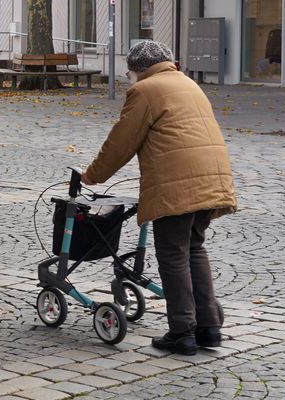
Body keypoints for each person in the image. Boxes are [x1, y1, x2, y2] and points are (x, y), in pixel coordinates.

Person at [82, 40, 237, 355]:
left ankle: (182, 332)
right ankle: (209, 328)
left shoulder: (145, 90)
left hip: (178, 184)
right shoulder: (188, 83)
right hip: (212, 178)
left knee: (173, 255)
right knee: (194, 248)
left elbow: (121, 142)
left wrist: (92, 176)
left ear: (139, 69)